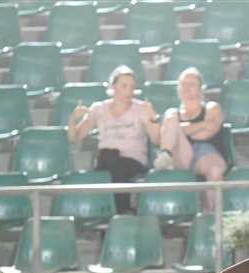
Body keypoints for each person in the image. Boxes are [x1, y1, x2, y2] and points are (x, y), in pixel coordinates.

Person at [67, 65, 160, 214]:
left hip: (133, 161)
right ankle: (118, 211)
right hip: (107, 160)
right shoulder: (98, 108)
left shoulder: (141, 108)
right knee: (107, 163)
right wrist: (73, 119)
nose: (129, 91)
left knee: (116, 166)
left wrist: (153, 118)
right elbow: (75, 138)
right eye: (124, 86)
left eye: (132, 87)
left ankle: (121, 211)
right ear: (113, 87)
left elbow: (157, 140)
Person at [153, 67, 229, 209]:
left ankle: (213, 215)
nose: (186, 88)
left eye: (191, 84)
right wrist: (203, 124)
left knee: (215, 171)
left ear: (200, 89)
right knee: (170, 117)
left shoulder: (211, 108)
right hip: (180, 155)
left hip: (206, 153)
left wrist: (179, 130)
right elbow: (202, 130)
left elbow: (207, 134)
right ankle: (165, 156)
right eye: (183, 84)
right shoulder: (173, 115)